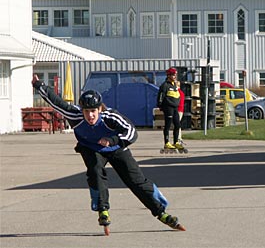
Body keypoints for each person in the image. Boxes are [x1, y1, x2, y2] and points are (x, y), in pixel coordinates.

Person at [31, 74, 185, 233]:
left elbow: (131, 132)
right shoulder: (75, 116)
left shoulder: (110, 116)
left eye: (93, 111)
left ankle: (161, 212)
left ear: (99, 109)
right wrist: (39, 85)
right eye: (86, 111)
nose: (90, 115)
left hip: (117, 147)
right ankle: (102, 209)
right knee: (96, 171)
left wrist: (111, 140)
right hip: (91, 148)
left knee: (135, 180)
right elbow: (56, 102)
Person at [157, 67, 184, 152]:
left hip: (175, 107)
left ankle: (176, 142)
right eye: (173, 74)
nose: (174, 76)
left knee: (178, 125)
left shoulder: (174, 85)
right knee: (168, 125)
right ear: (168, 75)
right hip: (168, 107)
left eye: (175, 74)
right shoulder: (165, 85)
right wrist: (160, 105)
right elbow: (161, 96)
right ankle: (167, 142)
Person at [176, 80, 186, 146]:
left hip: (177, 110)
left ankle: (178, 138)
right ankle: (179, 138)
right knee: (178, 124)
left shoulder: (177, 93)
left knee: (177, 125)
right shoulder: (182, 93)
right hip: (181, 110)